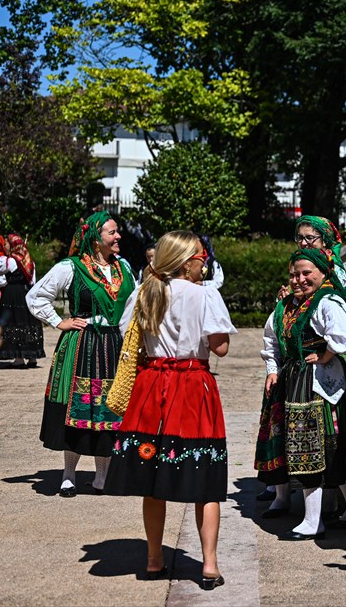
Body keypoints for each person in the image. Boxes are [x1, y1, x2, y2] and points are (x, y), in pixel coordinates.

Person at [104, 231, 236, 589]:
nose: (204, 260)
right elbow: (220, 347)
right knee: (204, 479)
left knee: (153, 476)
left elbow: (125, 331)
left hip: (151, 385)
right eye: (199, 255)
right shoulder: (206, 294)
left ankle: (154, 559)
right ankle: (209, 565)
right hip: (192, 384)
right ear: (184, 261)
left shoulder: (145, 291)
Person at [26, 212, 135, 496]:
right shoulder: (71, 267)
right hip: (82, 345)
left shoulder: (124, 267)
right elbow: (36, 296)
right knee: (76, 410)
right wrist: (59, 321)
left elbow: (133, 307)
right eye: (112, 232)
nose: (118, 236)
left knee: (109, 410)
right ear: (96, 240)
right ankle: (69, 474)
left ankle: (102, 476)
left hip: (114, 345)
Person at [256, 248, 346, 541]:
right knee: (312, 446)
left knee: (319, 447)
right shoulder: (286, 306)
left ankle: (315, 520)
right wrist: (273, 369)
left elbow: (343, 336)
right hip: (293, 381)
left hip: (317, 386)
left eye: (305, 273)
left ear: (323, 273)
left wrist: (326, 355)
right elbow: (271, 339)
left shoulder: (327, 302)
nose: (299, 279)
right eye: (293, 274)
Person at [0, 233, 44, 366]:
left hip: (12, 295)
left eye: (7, 243)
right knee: (28, 323)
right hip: (27, 293)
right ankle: (32, 357)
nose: (5, 245)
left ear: (13, 246)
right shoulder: (30, 261)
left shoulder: (10, 261)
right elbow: (33, 280)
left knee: (14, 323)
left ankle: (19, 358)